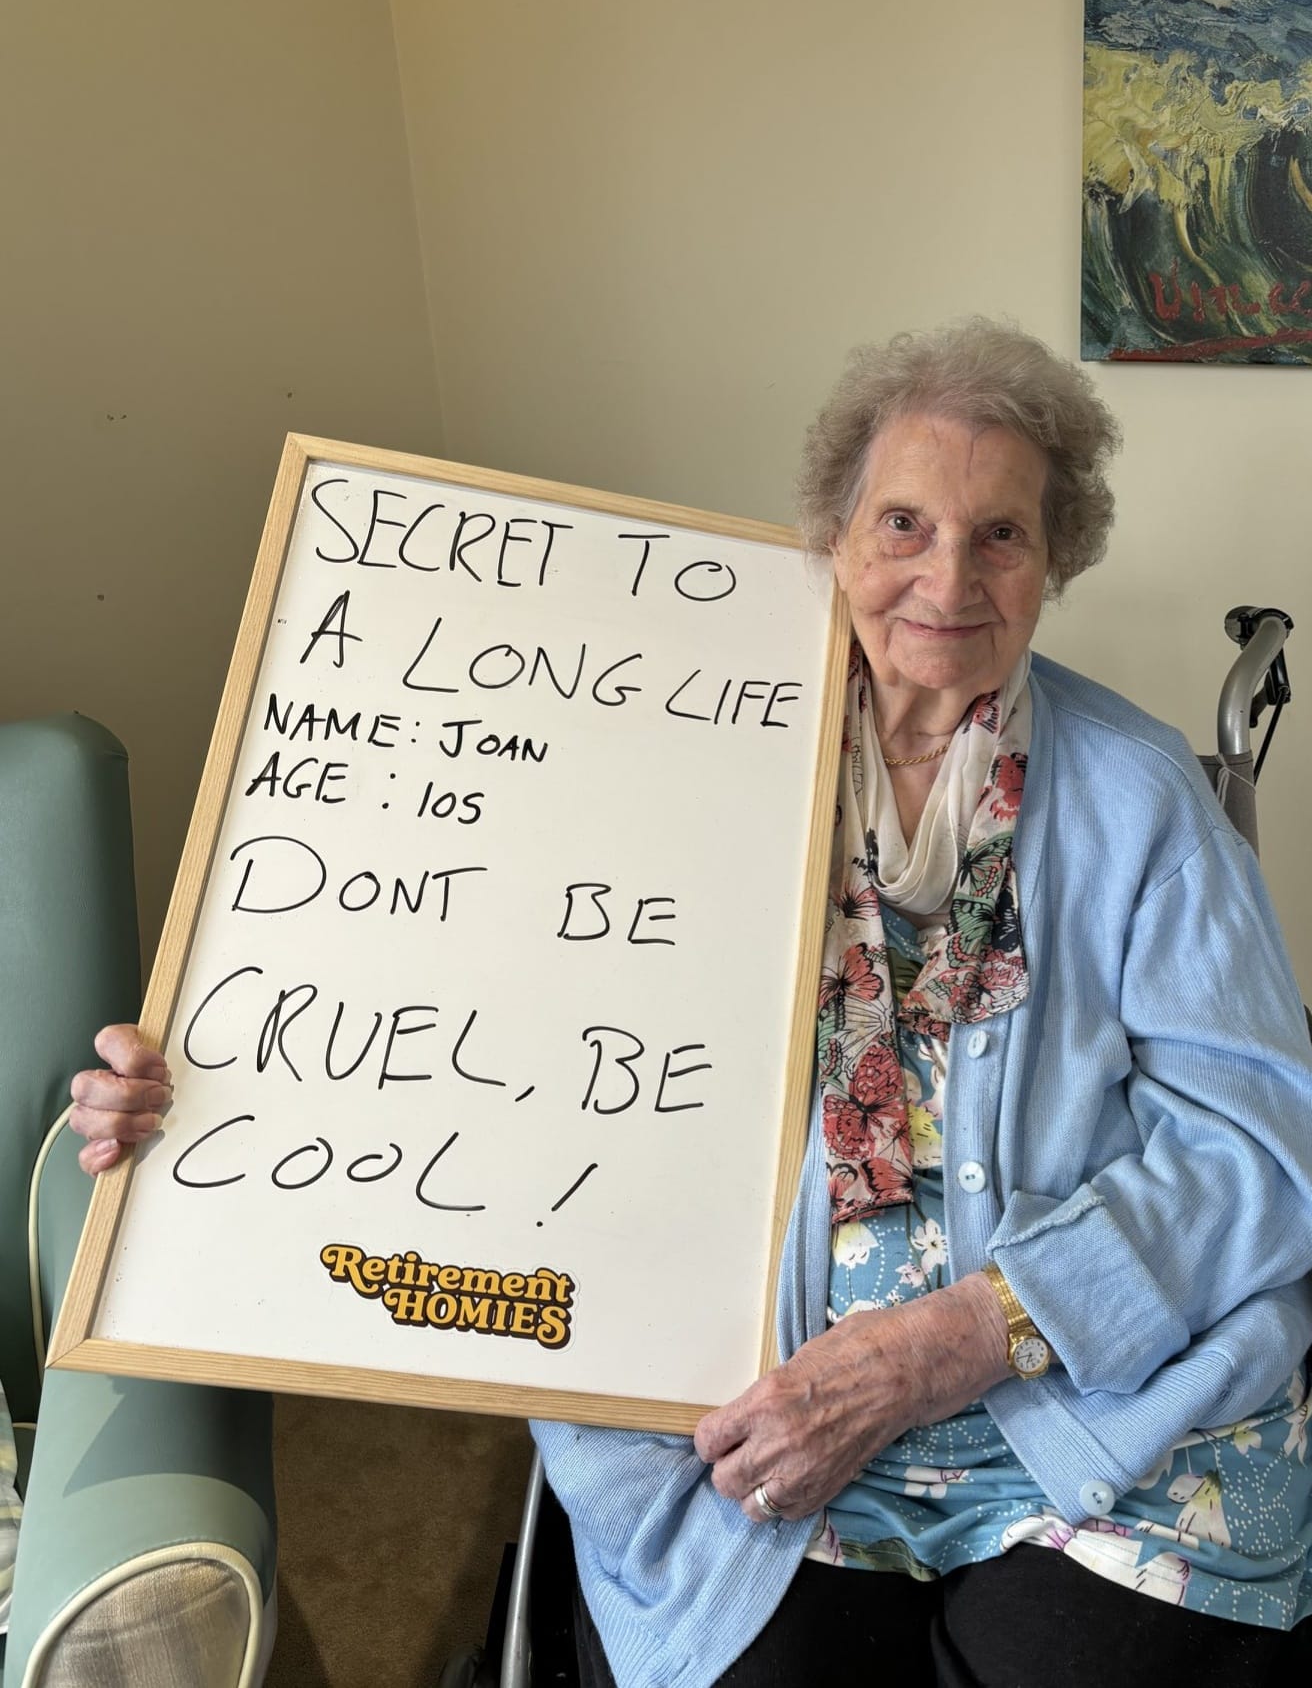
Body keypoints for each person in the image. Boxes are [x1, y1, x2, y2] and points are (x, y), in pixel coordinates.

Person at [70, 321, 1312, 1687]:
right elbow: (446, 1002)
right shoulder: (665, 748)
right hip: (737, 1414)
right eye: (903, 521)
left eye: (1000, 534)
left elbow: (1261, 1153)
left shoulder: (1146, 803)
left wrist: (945, 1343)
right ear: (832, 534)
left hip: (1094, 1407)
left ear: (1055, 558)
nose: (946, 576)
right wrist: (206, 1093)